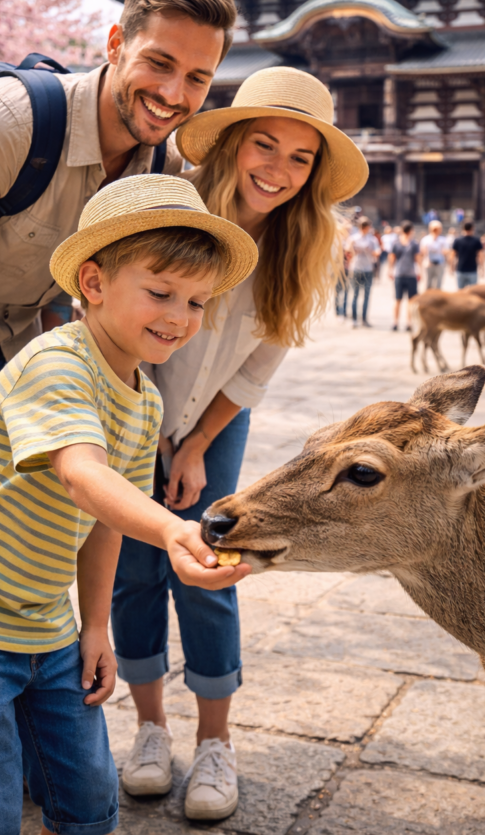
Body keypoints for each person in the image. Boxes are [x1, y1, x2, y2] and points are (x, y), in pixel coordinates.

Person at [0, 173, 257, 835]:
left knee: (88, 804)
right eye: (161, 292)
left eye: (197, 302)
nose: (179, 317)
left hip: (47, 628)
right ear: (94, 283)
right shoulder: (56, 364)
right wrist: (173, 530)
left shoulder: (144, 400)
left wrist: (97, 627)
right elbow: (82, 476)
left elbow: (106, 518)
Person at [110, 66, 367, 821]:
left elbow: (260, 360)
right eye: (265, 144)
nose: (278, 170)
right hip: (126, 406)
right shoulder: (173, 206)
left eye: (300, 157)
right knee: (132, 570)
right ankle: (150, 730)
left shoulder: (306, 241)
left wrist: (194, 447)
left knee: (214, 565)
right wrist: (143, 431)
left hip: (217, 420)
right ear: (230, 145)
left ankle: (217, 741)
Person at [0, 0, 238, 491]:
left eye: (197, 78)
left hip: (18, 372)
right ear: (115, 43)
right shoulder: (0, 128)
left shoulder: (159, 169)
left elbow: (72, 277)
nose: (172, 93)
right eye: (159, 62)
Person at [389, 220, 421, 330]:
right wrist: (420, 271)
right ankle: (405, 323)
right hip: (407, 273)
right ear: (411, 230)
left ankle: (398, 322)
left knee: (402, 300)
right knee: (405, 300)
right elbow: (417, 259)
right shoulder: (412, 243)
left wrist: (390, 270)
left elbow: (392, 258)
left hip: (402, 273)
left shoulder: (399, 243)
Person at [349, 217, 380, 327]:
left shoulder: (372, 239)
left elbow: (377, 253)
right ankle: (354, 319)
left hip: (368, 269)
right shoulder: (353, 238)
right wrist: (355, 250)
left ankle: (364, 319)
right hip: (356, 268)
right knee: (355, 295)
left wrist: (369, 250)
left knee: (366, 295)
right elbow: (348, 253)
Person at [451, 221, 484, 288]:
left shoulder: (457, 240)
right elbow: (480, 256)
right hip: (472, 270)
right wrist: (482, 268)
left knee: (461, 293)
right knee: (472, 293)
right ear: (472, 228)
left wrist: (451, 267)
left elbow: (452, 255)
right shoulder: (476, 240)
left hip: (460, 269)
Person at [419, 219, 448, 289]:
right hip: (428, 264)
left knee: (439, 285)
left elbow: (447, 252)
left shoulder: (443, 240)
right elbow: (421, 253)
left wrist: (442, 251)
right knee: (427, 284)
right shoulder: (426, 239)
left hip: (440, 264)